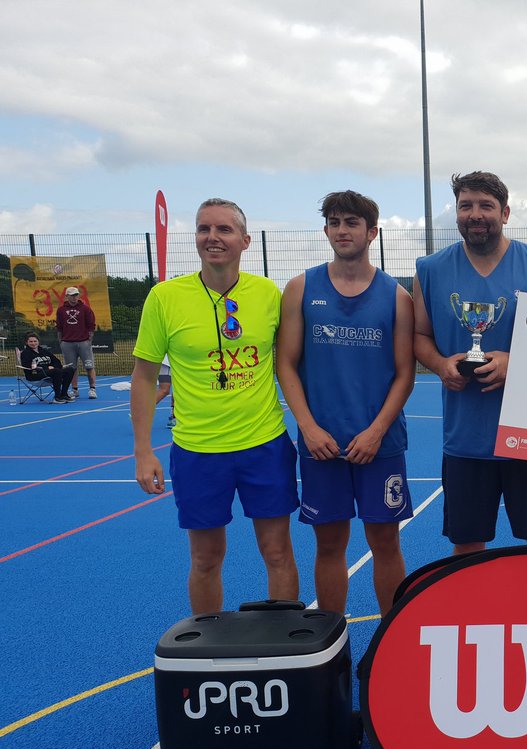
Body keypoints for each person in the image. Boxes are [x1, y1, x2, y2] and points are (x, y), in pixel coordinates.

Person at [130, 198, 299, 615]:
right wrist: (143, 450)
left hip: (264, 444)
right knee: (206, 559)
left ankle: (285, 641)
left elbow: (292, 362)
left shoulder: (267, 293)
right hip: (198, 451)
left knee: (276, 552)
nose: (212, 237)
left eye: (223, 230)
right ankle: (208, 642)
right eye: (204, 229)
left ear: (244, 240)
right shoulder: (164, 297)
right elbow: (144, 376)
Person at [412, 171, 527, 555]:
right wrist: (439, 364)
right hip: (466, 438)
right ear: (457, 213)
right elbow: (419, 336)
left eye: (486, 205)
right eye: (466, 205)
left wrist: (515, 362)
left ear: (505, 213)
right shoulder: (430, 269)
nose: (475, 214)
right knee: (467, 546)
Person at [277, 190, 415, 615]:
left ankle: (392, 637)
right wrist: (309, 427)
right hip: (322, 445)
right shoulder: (301, 287)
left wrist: (375, 432)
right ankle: (331, 639)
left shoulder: (397, 296)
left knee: (385, 543)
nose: (342, 230)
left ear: (372, 232)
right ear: (325, 230)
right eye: (335, 222)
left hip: (380, 444)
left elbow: (405, 373)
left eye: (351, 223)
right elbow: (286, 364)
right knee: (330, 545)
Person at [55, 286, 97, 399]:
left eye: (76, 295)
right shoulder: (61, 310)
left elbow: (91, 326)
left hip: (83, 342)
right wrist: (61, 341)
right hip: (67, 343)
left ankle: (92, 389)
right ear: (67, 296)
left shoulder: (85, 309)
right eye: (72, 295)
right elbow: (59, 327)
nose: (74, 297)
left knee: (89, 366)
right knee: (71, 368)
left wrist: (89, 341)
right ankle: (74, 389)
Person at [19, 332, 75, 403]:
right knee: (56, 371)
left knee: (69, 370)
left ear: (38, 342)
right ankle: (57, 397)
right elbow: (28, 366)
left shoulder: (44, 351)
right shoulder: (25, 353)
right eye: (31, 341)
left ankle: (64, 394)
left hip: (50, 373)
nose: (33, 343)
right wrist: (47, 368)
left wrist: (53, 366)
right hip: (35, 375)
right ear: (26, 342)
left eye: (35, 341)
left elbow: (56, 361)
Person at [156, 356, 176, 428]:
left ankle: (175, 416)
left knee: (180, 388)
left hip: (179, 361)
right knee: (164, 390)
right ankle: (140, 413)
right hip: (167, 362)